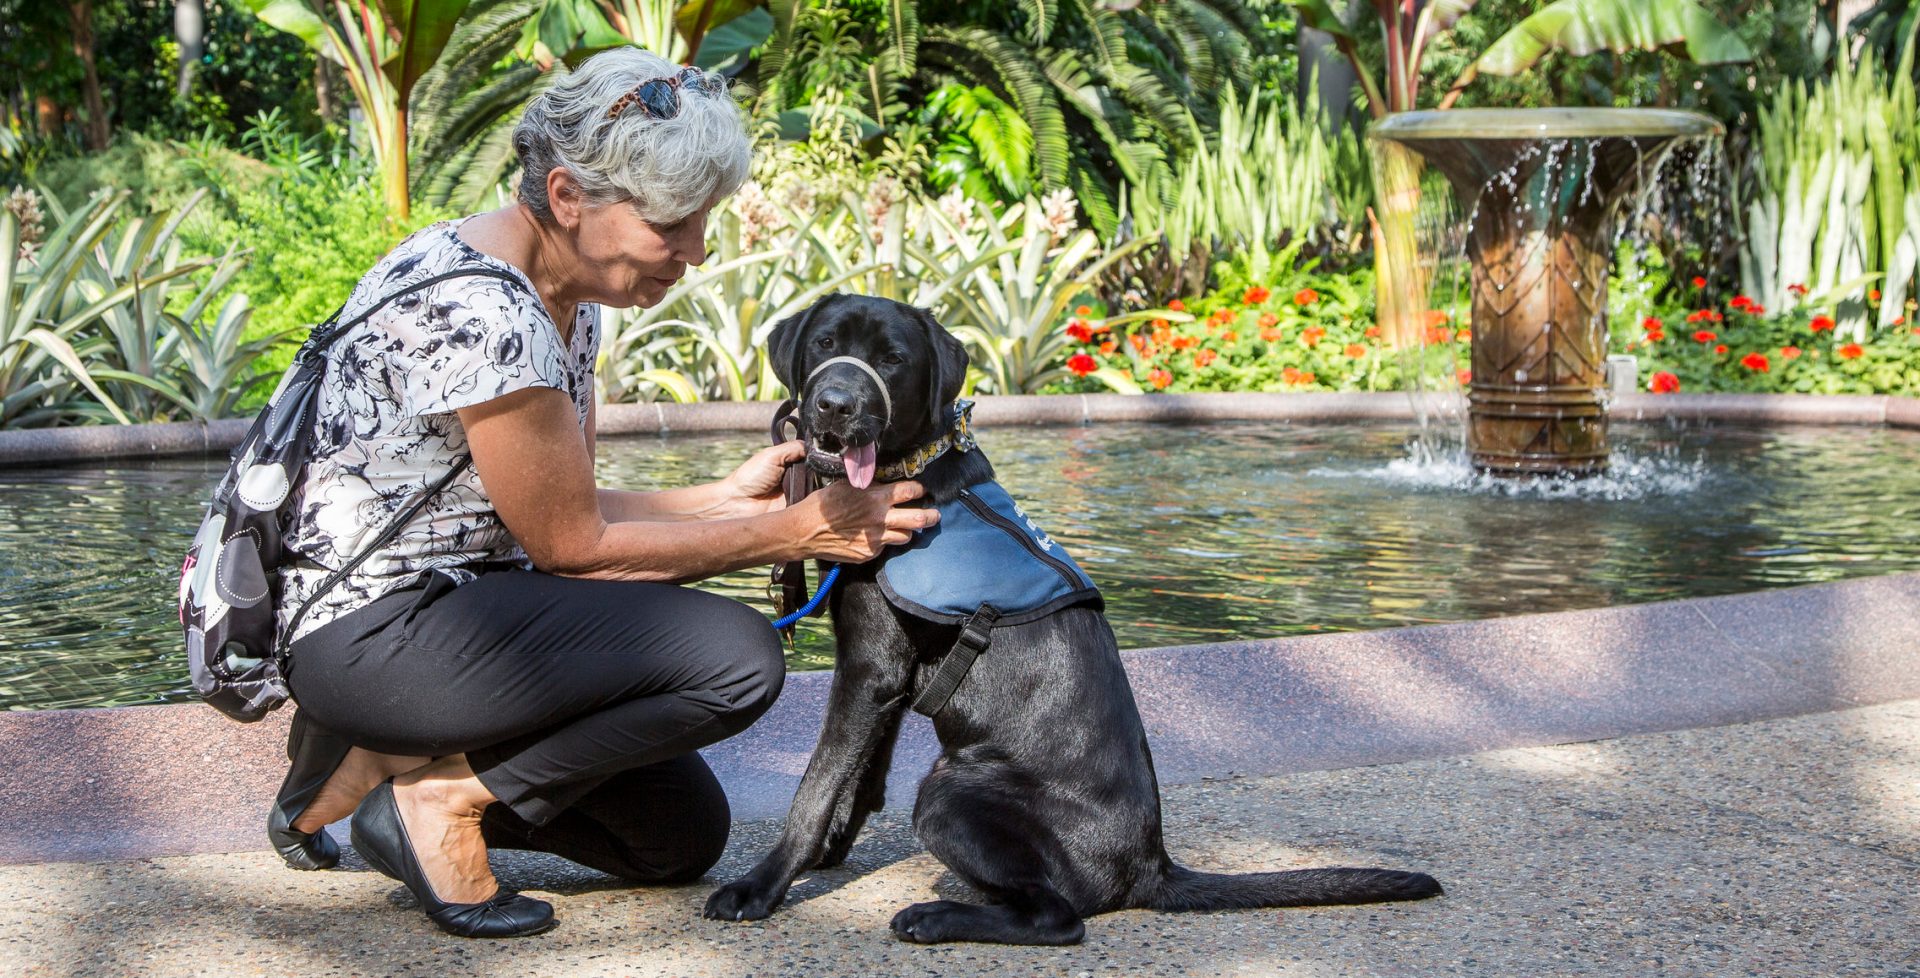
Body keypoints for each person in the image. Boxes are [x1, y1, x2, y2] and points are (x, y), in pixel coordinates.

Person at [262, 47, 938, 939]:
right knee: (734, 657)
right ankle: (441, 803)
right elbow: (571, 551)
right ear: (570, 197)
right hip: (376, 629)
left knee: (676, 841)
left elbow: (555, 508)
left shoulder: (562, 293)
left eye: (705, 221)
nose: (695, 253)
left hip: (468, 605)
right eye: (672, 223)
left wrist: (723, 498)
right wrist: (800, 532)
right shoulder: (486, 313)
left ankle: (384, 753)